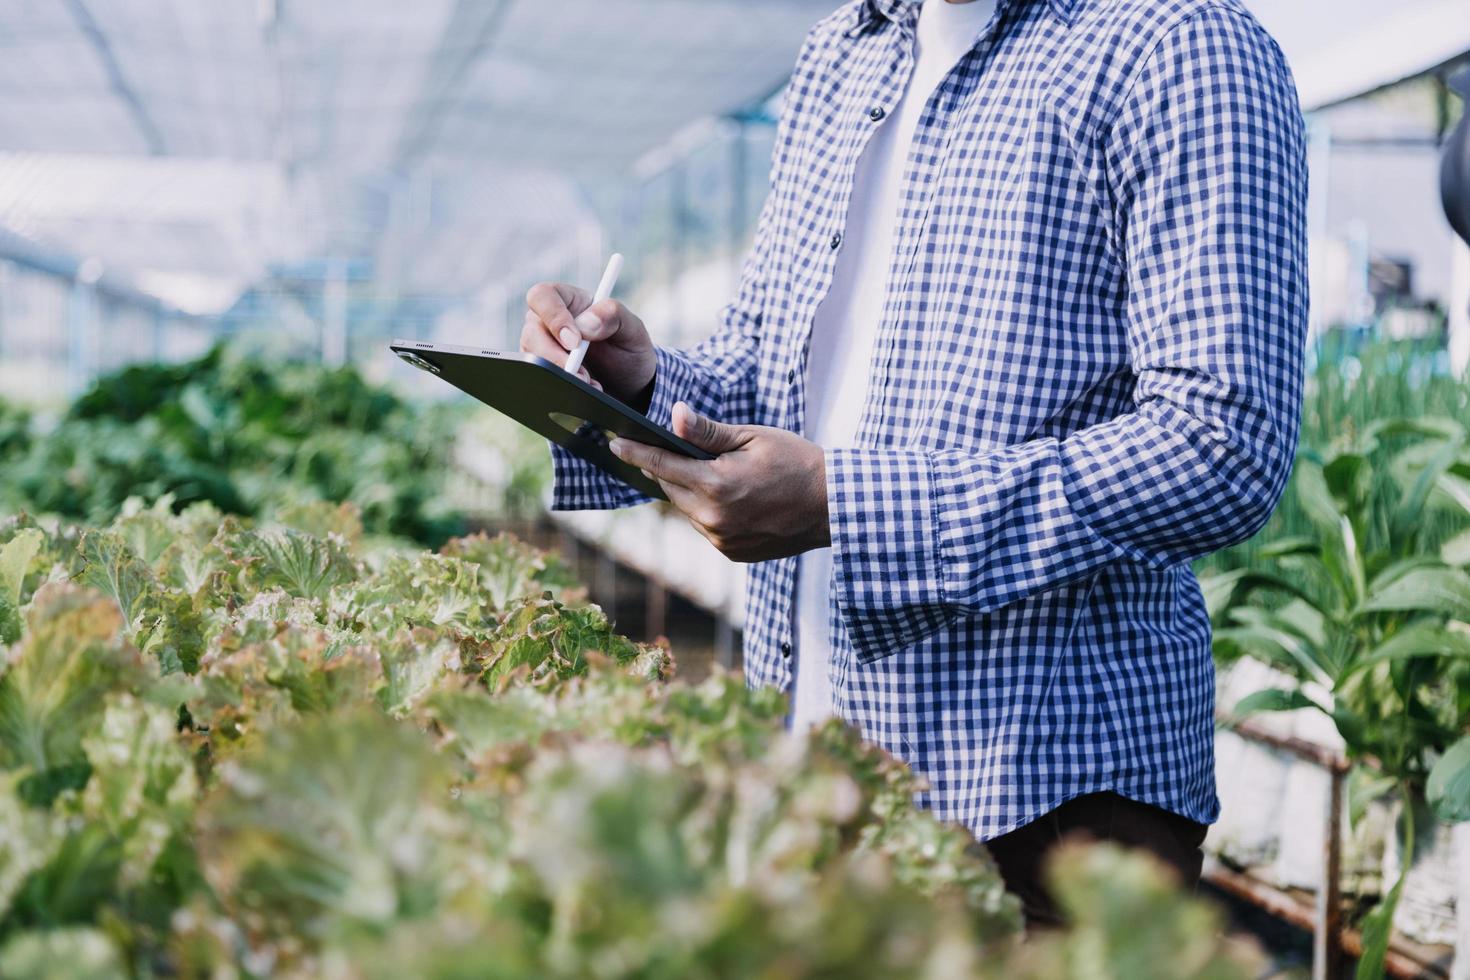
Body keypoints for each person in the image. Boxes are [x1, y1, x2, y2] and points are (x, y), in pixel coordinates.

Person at [522, 0, 1307, 924]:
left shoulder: (1178, 45)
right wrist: (645, 384)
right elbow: (770, 366)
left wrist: (841, 503)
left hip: (1041, 802)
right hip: (817, 764)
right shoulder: (844, 50)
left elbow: (1221, 444)